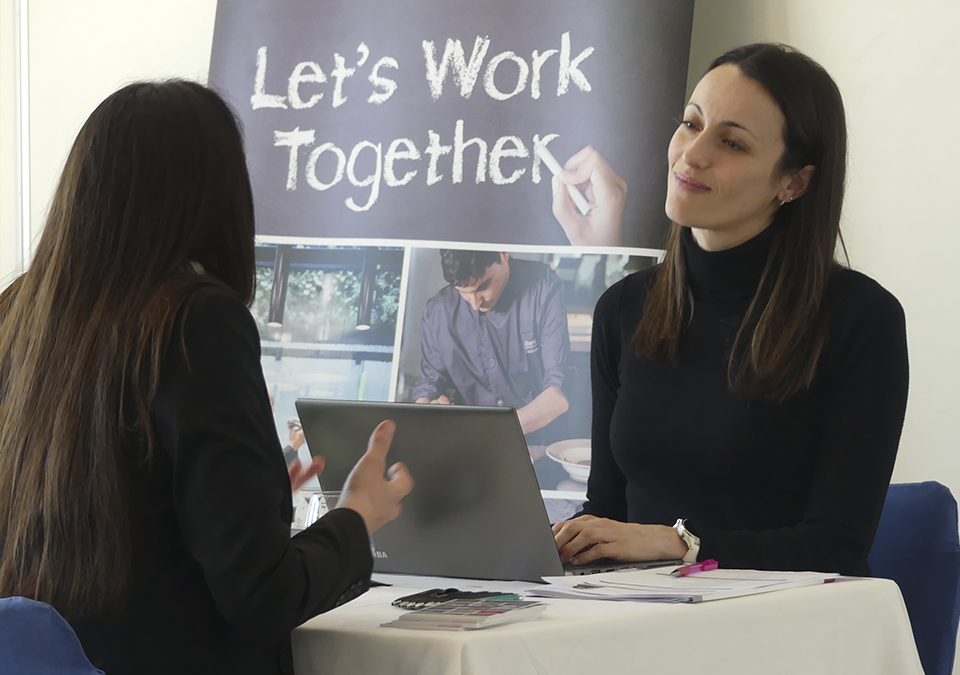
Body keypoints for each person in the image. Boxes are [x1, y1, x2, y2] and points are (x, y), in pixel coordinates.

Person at [0, 81, 413, 675]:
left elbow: (113, 515)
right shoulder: (196, 319)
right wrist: (358, 516)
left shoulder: (20, 316)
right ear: (220, 197)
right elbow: (263, 597)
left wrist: (252, 495)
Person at [553, 43, 909, 577]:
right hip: (627, 622)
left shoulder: (860, 319)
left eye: (732, 143)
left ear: (795, 182)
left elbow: (836, 548)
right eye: (691, 124)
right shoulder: (622, 309)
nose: (691, 155)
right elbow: (608, 511)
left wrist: (679, 544)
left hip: (773, 630)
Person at [411, 250, 572, 439]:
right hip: (470, 443)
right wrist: (429, 409)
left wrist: (491, 431)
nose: (475, 304)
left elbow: (558, 391)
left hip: (540, 440)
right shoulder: (438, 311)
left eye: (483, 286)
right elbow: (429, 385)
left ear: (504, 254)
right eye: (463, 293)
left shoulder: (543, 284)